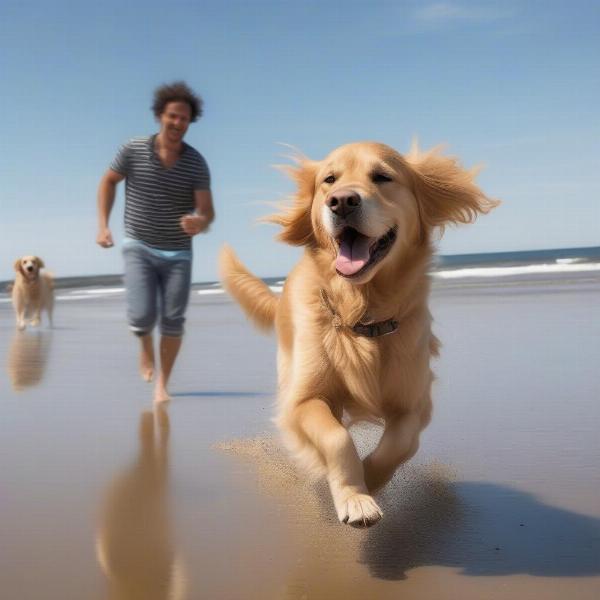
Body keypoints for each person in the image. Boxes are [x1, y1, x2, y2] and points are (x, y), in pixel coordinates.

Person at [96, 81, 214, 403]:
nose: (178, 124)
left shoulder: (195, 162)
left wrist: (199, 222)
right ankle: (145, 347)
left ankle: (163, 383)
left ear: (190, 123)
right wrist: (103, 226)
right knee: (142, 316)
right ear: (160, 115)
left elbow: (207, 211)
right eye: (172, 116)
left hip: (178, 253)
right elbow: (108, 181)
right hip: (139, 245)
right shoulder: (133, 149)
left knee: (174, 320)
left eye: (184, 119)